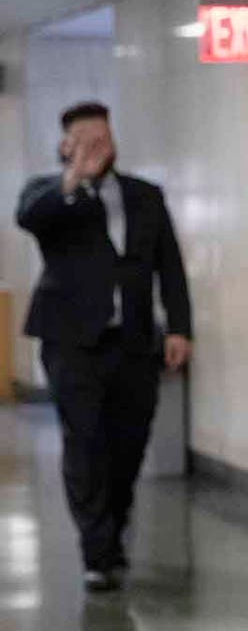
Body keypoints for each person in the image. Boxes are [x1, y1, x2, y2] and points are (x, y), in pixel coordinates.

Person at [16, 101, 192, 592]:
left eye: (105, 138)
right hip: (71, 344)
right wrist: (74, 176)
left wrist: (179, 327)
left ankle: (111, 530)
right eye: (88, 140)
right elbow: (30, 219)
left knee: (128, 445)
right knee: (85, 442)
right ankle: (97, 553)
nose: (101, 148)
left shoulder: (145, 196)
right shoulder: (48, 194)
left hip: (134, 342)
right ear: (67, 145)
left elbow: (170, 266)